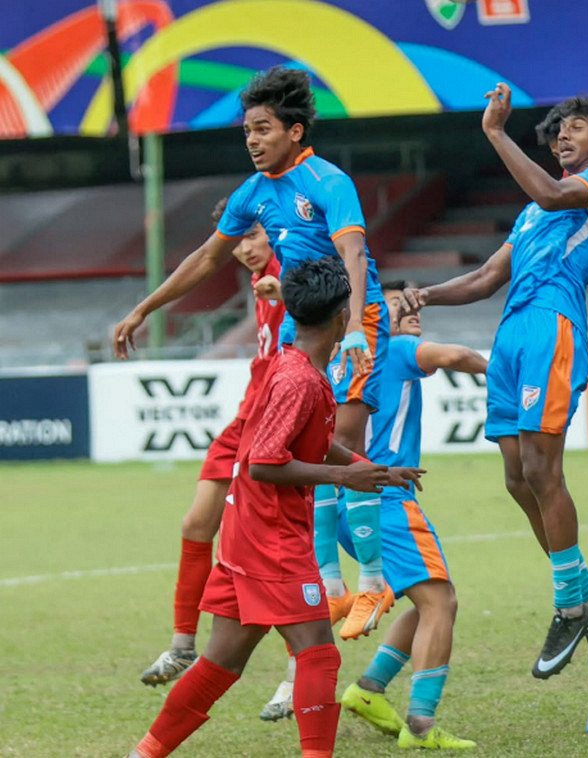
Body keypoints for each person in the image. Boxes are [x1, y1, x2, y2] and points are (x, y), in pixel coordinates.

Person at [111, 66, 394, 641]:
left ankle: (374, 580)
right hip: (302, 337)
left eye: (262, 129)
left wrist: (362, 326)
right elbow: (207, 259)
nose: (252, 140)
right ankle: (333, 589)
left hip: (349, 324)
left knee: (345, 439)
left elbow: (356, 253)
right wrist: (146, 307)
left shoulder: (328, 181)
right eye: (246, 131)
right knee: (298, 453)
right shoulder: (254, 193)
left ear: (293, 131)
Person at [125, 257, 423, 758]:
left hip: (250, 529)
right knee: (319, 656)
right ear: (339, 316)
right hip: (272, 538)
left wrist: (368, 468)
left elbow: (312, 439)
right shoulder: (298, 379)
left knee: (222, 662)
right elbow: (265, 462)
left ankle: (146, 752)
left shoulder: (294, 366)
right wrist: (345, 477)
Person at [394, 84, 588, 679]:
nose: (563, 136)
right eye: (559, 129)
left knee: (543, 469)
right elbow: (484, 279)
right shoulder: (529, 214)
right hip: (510, 337)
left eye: (577, 127)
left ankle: (567, 601)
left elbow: (550, 192)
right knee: (516, 476)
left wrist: (496, 133)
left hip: (552, 325)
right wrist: (424, 294)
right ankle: (585, 598)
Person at [138, 202, 285, 687]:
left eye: (253, 236)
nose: (245, 248)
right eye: (237, 239)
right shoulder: (259, 277)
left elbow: (334, 299)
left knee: (278, 541)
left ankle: (297, 668)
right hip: (247, 414)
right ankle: (182, 644)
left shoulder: (288, 268)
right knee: (198, 522)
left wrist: (284, 288)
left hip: (276, 420)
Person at [333, 281, 486, 749]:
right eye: (400, 306)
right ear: (377, 318)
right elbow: (456, 357)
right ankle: (421, 723)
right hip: (384, 500)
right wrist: (504, 372)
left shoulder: (347, 361)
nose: (413, 309)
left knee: (425, 602)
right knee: (442, 603)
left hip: (350, 500)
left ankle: (370, 689)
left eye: (414, 303)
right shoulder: (393, 348)